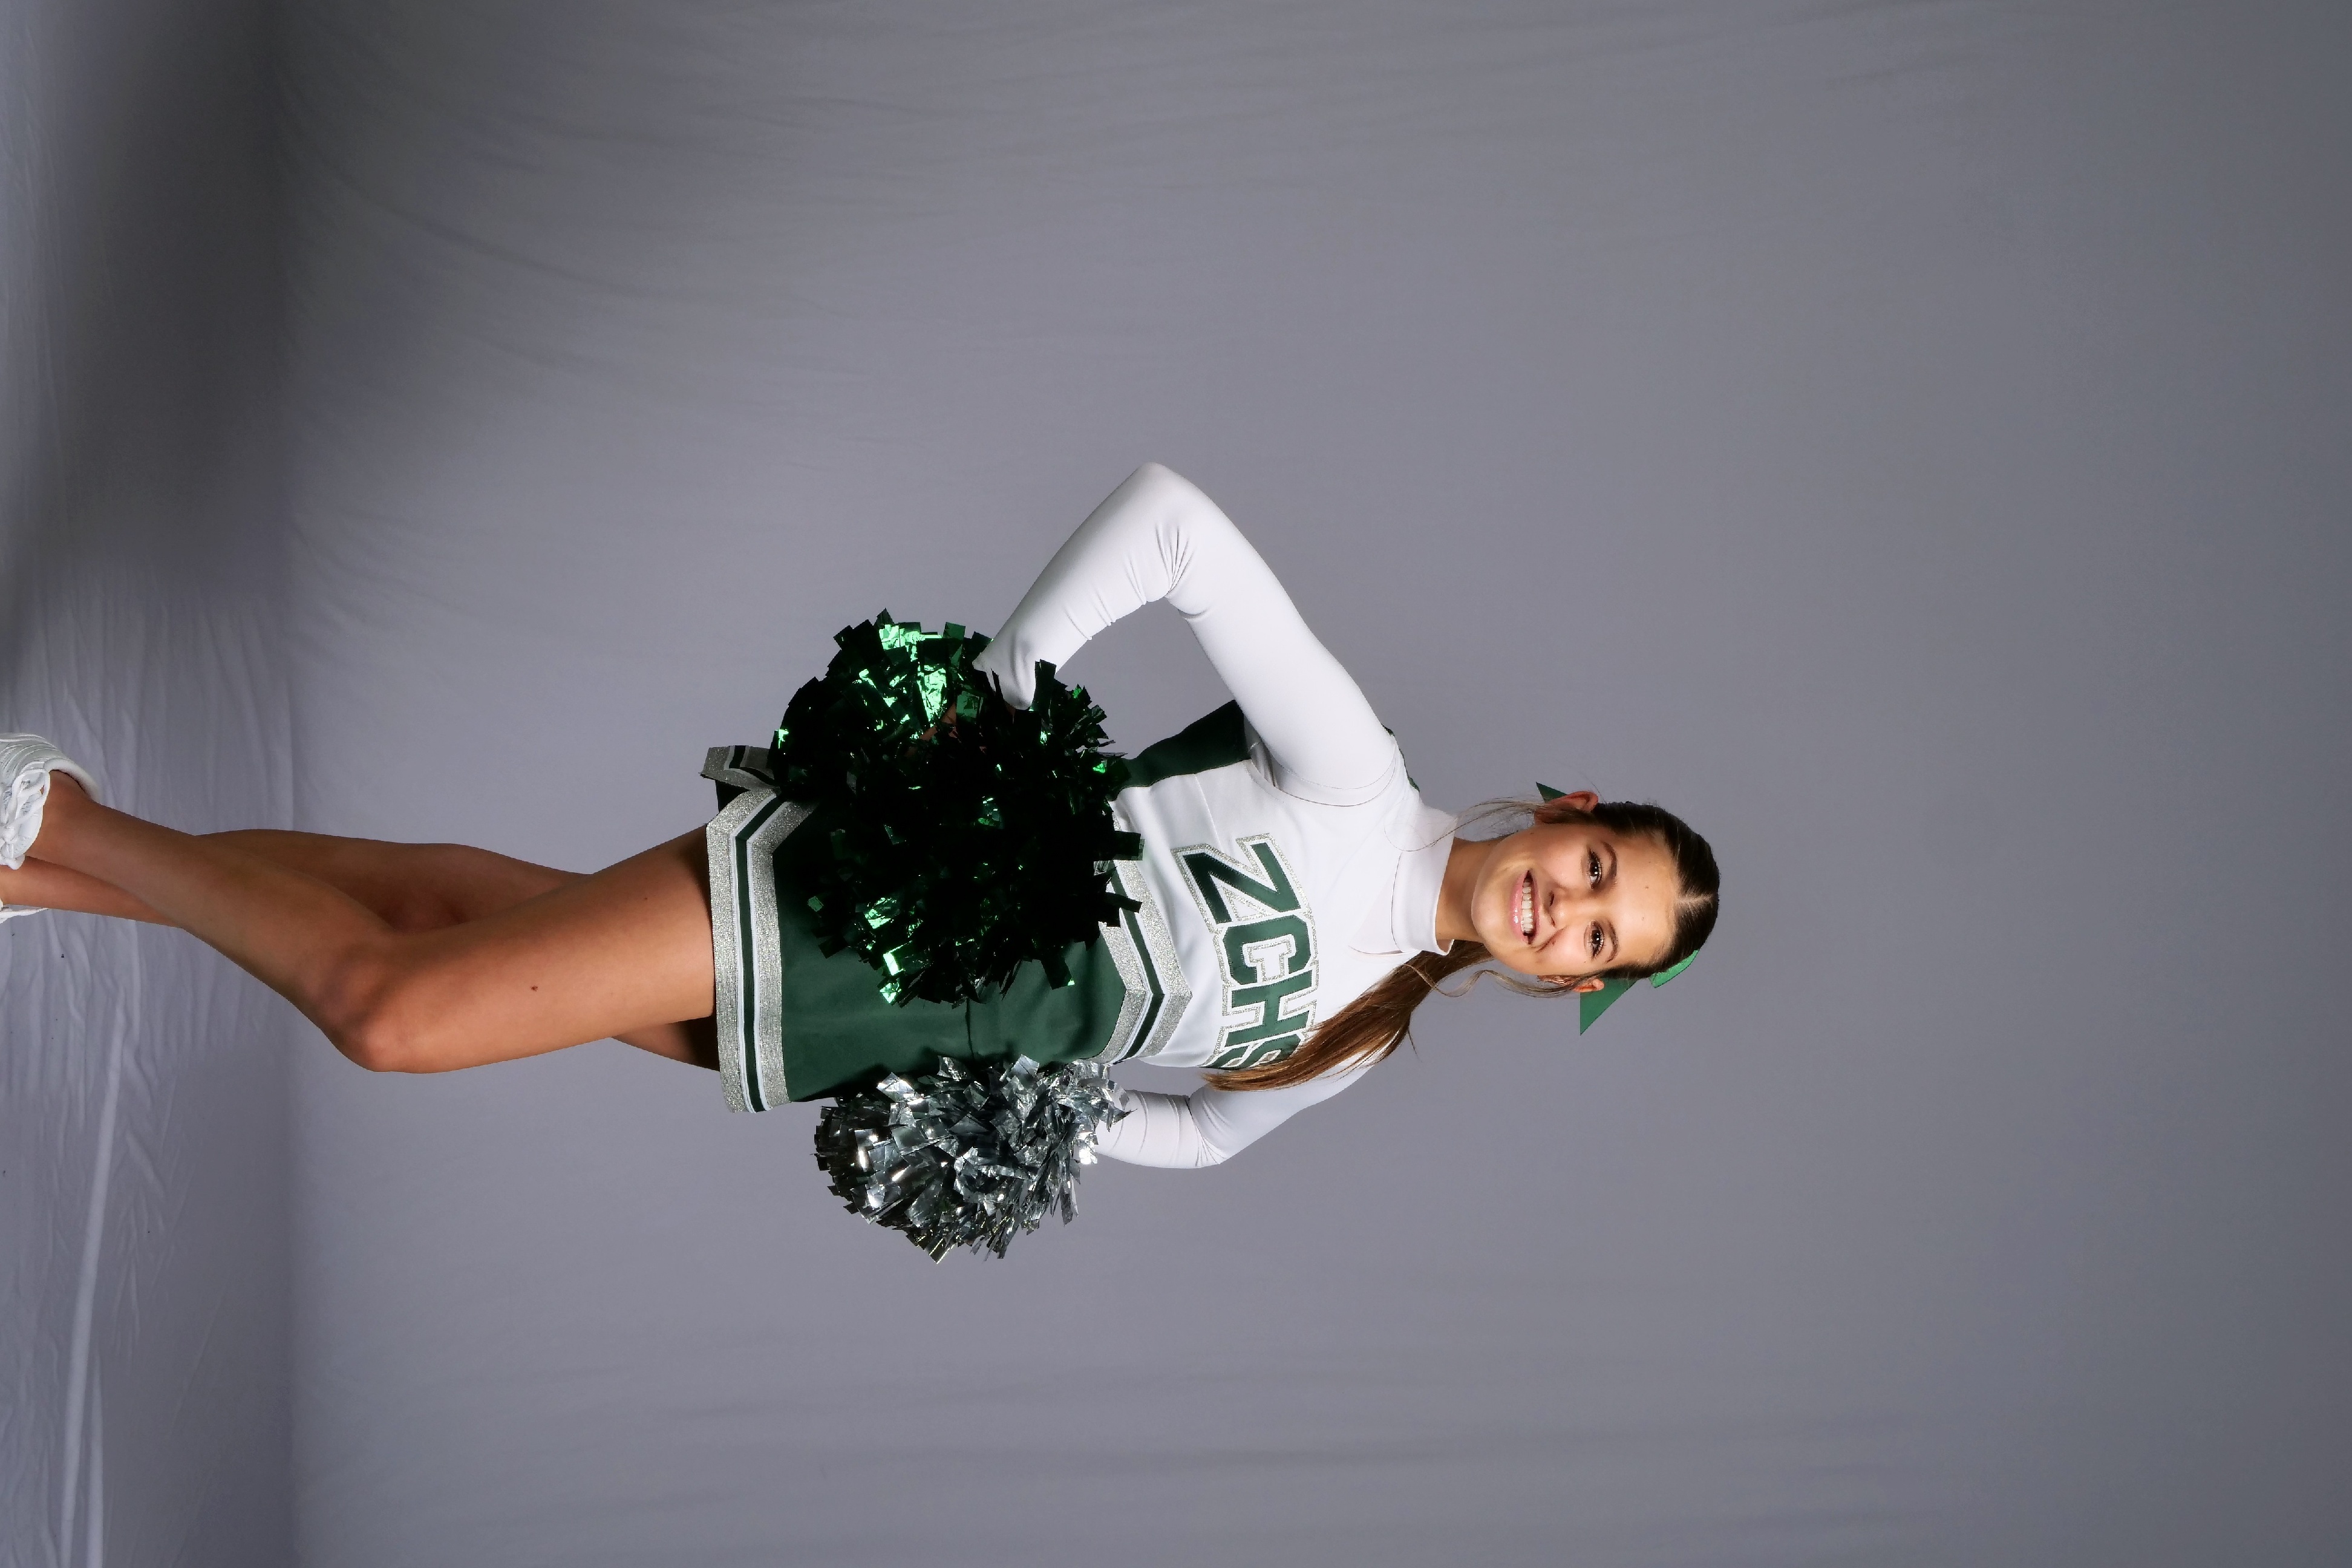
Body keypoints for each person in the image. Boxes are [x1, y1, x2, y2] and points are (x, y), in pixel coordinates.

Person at [0, 463, 1718, 1169]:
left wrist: (1029, 1113)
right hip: (879, 910)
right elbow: (1177, 524)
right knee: (400, 1015)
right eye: (1595, 868)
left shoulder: (1366, 1033)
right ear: (1569, 811)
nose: (1563, 908)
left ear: (1575, 983)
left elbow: (1199, 1138)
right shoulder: (1358, 779)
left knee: (469, 918)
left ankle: (46, 874)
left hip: (896, 1033)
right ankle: (56, 812)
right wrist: (1015, 678)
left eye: (1598, 937)